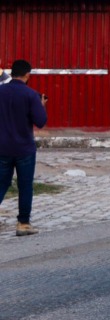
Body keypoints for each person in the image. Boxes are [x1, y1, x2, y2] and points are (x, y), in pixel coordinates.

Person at [0, 60, 48, 236]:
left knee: (1, 183)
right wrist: (41, 105)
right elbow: (40, 121)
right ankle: (23, 224)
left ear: (12, 73)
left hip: (2, 147)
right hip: (24, 149)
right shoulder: (31, 95)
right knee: (25, 185)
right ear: (27, 75)